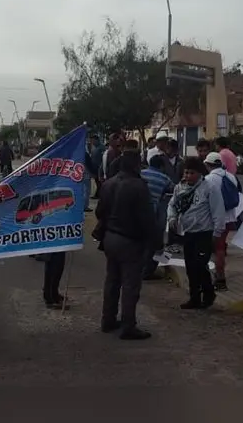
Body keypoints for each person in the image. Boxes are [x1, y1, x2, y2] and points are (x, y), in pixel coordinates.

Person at [96, 152, 153, 340]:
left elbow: (99, 212)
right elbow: (147, 218)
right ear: (137, 165)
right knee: (130, 285)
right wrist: (154, 242)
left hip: (110, 238)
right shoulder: (139, 186)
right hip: (130, 240)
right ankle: (128, 325)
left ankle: (108, 320)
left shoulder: (108, 184)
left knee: (112, 281)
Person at [168, 156, 224, 309]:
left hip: (204, 232)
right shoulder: (180, 188)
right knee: (190, 267)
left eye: (191, 173)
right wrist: (172, 218)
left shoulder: (209, 188)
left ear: (200, 173)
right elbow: (172, 204)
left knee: (200, 265)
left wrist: (217, 233)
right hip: (188, 232)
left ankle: (208, 292)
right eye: (186, 172)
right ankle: (194, 297)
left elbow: (218, 211)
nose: (188, 176)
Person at [204, 152, 241, 291]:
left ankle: (220, 278)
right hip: (230, 218)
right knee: (220, 248)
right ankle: (218, 275)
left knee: (217, 249)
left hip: (216, 219)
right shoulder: (230, 176)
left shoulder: (209, 179)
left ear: (208, 165)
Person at [140, 154, 175, 280]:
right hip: (154, 214)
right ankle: (149, 271)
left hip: (139, 213)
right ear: (161, 166)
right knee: (156, 244)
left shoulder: (141, 173)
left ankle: (138, 269)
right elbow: (173, 189)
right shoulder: (164, 178)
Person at [88, 134, 104, 199]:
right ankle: (98, 194)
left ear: (97, 140)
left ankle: (100, 194)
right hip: (94, 168)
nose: (92, 142)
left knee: (99, 182)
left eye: (92, 140)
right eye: (91, 141)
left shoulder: (101, 148)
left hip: (99, 168)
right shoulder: (93, 148)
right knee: (97, 182)